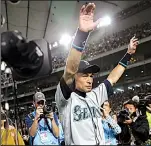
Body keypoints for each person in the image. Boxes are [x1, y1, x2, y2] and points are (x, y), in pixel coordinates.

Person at [55, 3, 139, 145]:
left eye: (91, 76)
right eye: (85, 75)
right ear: (75, 77)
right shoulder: (65, 100)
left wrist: (128, 54)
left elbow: (112, 78)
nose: (90, 80)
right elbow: (69, 71)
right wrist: (82, 34)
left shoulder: (95, 95)